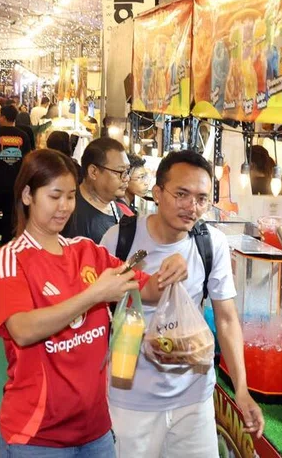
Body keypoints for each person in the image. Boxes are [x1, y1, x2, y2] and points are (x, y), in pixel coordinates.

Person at [0, 149, 188, 456]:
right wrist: (94, 296)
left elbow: (149, 289)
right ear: (28, 195)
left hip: (96, 430)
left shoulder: (87, 252)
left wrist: (172, 267)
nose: (64, 207)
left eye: (70, 196)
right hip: (38, 435)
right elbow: (22, 329)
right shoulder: (11, 259)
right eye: (54, 196)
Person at [100, 150, 264, 456]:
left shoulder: (210, 243)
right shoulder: (119, 239)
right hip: (131, 400)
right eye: (181, 194)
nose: (192, 207)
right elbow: (98, 303)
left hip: (194, 399)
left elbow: (226, 319)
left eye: (202, 199)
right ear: (157, 193)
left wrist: (241, 389)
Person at [0, 105, 34, 244]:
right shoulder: (23, 136)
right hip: (15, 184)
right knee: (10, 217)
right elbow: (28, 160)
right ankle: (6, 243)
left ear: (3, 117)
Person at [62, 137, 130, 243]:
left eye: (127, 171)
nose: (126, 178)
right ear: (93, 172)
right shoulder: (70, 214)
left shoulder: (116, 207)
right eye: (120, 172)